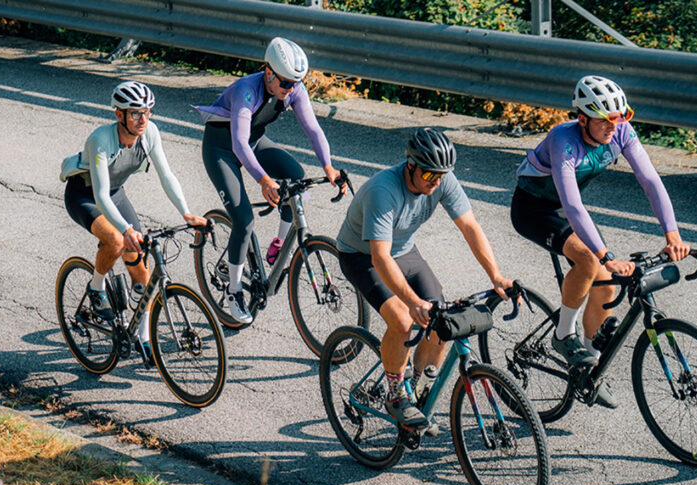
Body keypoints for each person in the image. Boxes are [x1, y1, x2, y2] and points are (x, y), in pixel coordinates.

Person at [510, 75, 689, 407]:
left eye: (620, 117)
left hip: (566, 211)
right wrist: (605, 255)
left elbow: (649, 179)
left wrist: (672, 233)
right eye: (605, 120)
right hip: (533, 209)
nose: (613, 126)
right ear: (582, 119)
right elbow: (574, 205)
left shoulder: (620, 131)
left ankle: (588, 370)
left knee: (606, 287)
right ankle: (563, 334)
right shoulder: (562, 139)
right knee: (590, 261)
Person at [337, 128, 513, 431]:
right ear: (411, 167)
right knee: (403, 320)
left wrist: (496, 276)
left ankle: (415, 392)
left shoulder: (442, 179)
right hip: (361, 254)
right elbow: (380, 258)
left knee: (442, 321)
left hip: (404, 251)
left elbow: (470, 226)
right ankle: (395, 396)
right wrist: (413, 302)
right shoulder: (384, 191)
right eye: (429, 176)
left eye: (441, 176)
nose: (436, 182)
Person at [194, 37, 344, 324]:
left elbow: (313, 129)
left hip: (255, 141)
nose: (290, 90)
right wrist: (263, 180)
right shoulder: (246, 90)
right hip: (221, 149)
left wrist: (328, 166)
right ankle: (235, 290)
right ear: (268, 73)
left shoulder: (294, 89)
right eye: (286, 83)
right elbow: (239, 143)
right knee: (244, 220)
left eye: (297, 83)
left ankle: (277, 246)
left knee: (296, 178)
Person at [60, 81, 206, 347]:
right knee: (116, 241)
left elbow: (166, 175)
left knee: (142, 270)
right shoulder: (100, 139)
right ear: (119, 115)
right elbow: (101, 194)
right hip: (84, 195)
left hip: (115, 194)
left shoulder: (150, 133)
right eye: (136, 112)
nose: (143, 118)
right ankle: (96, 286)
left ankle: (143, 337)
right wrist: (126, 230)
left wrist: (186, 213)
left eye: (147, 111)